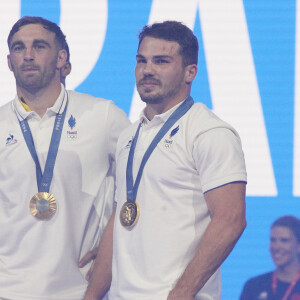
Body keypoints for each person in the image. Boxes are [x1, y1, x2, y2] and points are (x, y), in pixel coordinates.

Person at [85, 20, 247, 300]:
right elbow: (120, 222)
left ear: (190, 72)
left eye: (161, 61)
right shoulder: (128, 137)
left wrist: (181, 293)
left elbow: (231, 219)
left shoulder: (209, 132)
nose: (147, 70)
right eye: (141, 61)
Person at [0, 16, 129, 300]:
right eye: (19, 48)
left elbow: (143, 182)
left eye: (39, 46)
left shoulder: (102, 115)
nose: (28, 55)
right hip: (7, 289)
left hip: (80, 289)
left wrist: (117, 244)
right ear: (9, 62)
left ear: (61, 58)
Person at [240, 215, 300, 300]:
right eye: (273, 240)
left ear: (298, 246)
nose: (276, 247)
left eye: (284, 240)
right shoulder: (254, 286)